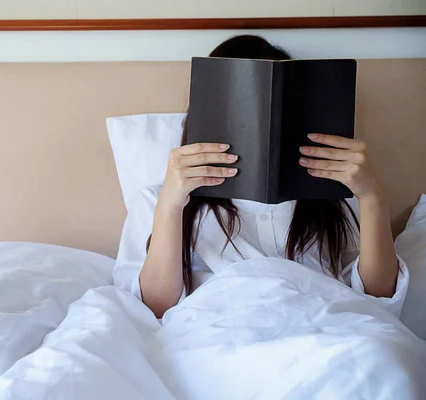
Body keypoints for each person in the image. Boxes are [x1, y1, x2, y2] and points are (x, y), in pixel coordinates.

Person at [113, 35, 408, 319]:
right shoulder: (157, 199)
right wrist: (172, 205)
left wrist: (372, 197)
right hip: (216, 331)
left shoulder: (331, 196)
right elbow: (155, 308)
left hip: (320, 330)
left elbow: (378, 298)